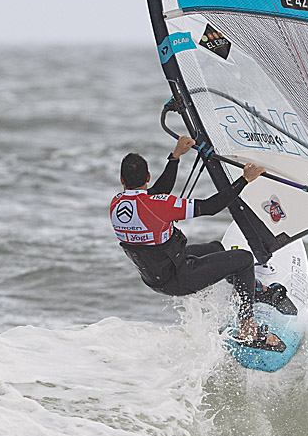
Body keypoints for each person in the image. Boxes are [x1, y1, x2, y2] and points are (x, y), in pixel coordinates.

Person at [110, 135, 284, 350]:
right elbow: (210, 206)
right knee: (244, 259)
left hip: (157, 275)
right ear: (148, 176)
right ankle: (247, 326)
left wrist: (175, 157)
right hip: (178, 277)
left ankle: (244, 288)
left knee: (215, 248)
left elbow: (155, 193)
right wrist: (244, 180)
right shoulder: (157, 206)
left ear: (121, 179)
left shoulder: (117, 203)